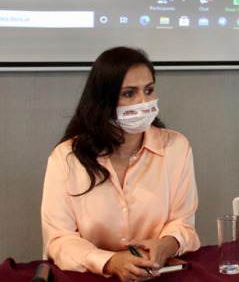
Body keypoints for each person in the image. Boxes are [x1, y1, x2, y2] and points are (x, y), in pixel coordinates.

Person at [41, 47, 200, 281]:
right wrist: (110, 262)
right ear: (103, 100)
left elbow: (183, 223)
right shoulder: (66, 158)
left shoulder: (176, 148)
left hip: (156, 275)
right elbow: (58, 239)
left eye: (149, 90)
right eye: (129, 94)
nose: (143, 102)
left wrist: (167, 244)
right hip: (92, 277)